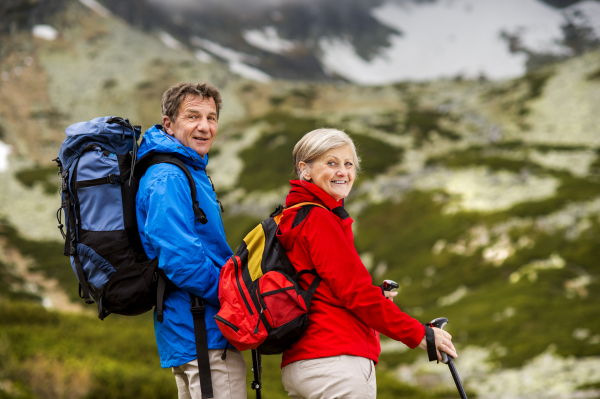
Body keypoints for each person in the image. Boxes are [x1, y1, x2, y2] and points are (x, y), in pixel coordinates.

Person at [276, 128, 458, 399]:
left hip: (300, 365)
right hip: (337, 363)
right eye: (331, 162)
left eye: (348, 164)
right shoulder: (320, 219)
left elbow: (322, 287)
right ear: (305, 170)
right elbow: (355, 293)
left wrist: (379, 298)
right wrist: (421, 335)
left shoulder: (290, 217)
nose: (343, 172)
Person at [136, 82, 246, 399]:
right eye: (193, 116)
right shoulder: (169, 176)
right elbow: (180, 260)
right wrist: (235, 298)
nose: (204, 126)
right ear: (168, 124)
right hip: (203, 332)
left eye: (211, 118)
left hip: (193, 331)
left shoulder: (184, 169)